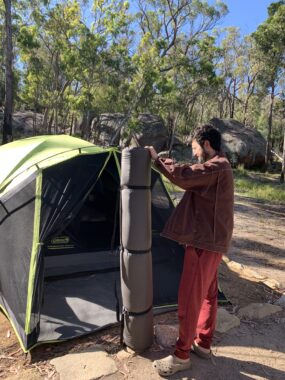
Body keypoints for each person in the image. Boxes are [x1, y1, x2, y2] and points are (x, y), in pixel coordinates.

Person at [146, 124, 234, 377]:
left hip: (204, 243)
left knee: (189, 297)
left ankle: (181, 355)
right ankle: (203, 344)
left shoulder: (217, 165)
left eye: (196, 148)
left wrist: (158, 161)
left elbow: (187, 175)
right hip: (212, 242)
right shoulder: (221, 166)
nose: (195, 154)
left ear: (206, 144)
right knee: (208, 295)